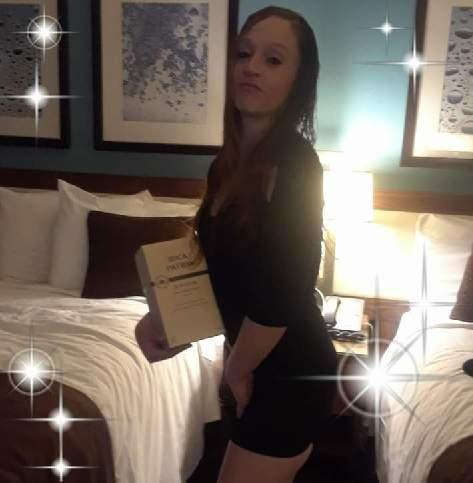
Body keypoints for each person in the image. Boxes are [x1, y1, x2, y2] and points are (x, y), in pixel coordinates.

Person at [136, 5, 338, 483]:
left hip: (291, 370)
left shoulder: (297, 164)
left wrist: (236, 370)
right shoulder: (227, 164)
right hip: (258, 360)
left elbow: (285, 290)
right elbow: (221, 270)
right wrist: (164, 319)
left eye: (273, 59)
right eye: (244, 54)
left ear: (298, 80)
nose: (251, 67)